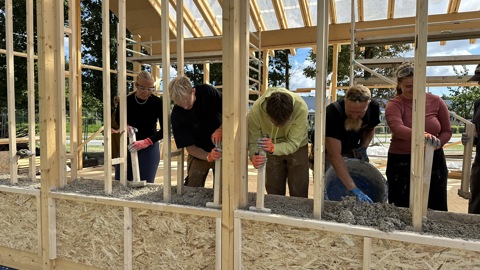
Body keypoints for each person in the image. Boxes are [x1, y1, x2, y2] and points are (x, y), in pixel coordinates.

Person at [385, 62, 452, 211]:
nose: (413, 90)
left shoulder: (436, 101)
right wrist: (422, 136)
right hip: (402, 160)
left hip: (433, 157)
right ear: (400, 85)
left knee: (436, 204)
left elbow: (447, 130)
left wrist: (436, 144)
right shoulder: (394, 104)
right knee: (401, 205)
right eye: (408, 87)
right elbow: (397, 128)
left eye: (417, 85)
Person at [247, 87, 309, 198]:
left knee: (299, 189)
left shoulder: (301, 108)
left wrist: (273, 148)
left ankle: (298, 214)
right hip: (269, 145)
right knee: (273, 189)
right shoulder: (256, 111)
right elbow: (254, 141)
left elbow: (293, 143)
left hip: (298, 145)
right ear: (267, 113)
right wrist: (254, 156)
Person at [324, 85, 380, 203]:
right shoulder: (332, 113)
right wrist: (353, 188)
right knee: (327, 181)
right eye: (350, 112)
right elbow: (334, 156)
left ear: (368, 105)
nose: (354, 116)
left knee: (352, 173)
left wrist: (363, 147)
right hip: (328, 149)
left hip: (352, 146)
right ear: (345, 101)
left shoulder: (373, 108)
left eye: (359, 113)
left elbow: (370, 129)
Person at [168, 75, 222, 187]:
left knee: (224, 188)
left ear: (193, 91)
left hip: (224, 148)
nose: (185, 106)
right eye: (180, 103)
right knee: (193, 186)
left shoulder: (207, 92)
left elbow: (231, 111)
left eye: (187, 100)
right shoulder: (177, 115)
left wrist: (222, 129)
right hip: (199, 151)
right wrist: (208, 156)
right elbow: (190, 147)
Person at [114, 70, 164, 183]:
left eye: (150, 89)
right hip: (129, 143)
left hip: (149, 144)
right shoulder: (127, 101)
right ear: (136, 85)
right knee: (120, 181)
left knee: (145, 183)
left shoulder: (157, 103)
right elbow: (118, 119)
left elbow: (165, 129)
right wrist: (125, 126)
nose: (146, 92)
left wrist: (146, 142)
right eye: (143, 88)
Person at [461, 63, 480, 214]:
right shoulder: (478, 104)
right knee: (477, 203)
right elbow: (475, 130)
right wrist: (471, 138)